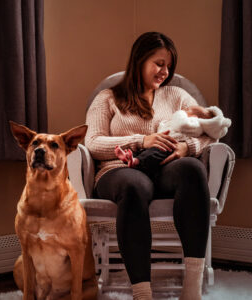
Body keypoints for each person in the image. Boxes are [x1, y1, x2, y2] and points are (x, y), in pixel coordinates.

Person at [85, 32, 216, 300]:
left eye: (168, 66)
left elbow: (207, 131)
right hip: (118, 171)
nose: (164, 72)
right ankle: (142, 293)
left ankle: (192, 288)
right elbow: (93, 142)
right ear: (139, 60)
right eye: (158, 64)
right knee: (134, 185)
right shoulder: (108, 98)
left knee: (192, 169)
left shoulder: (177, 96)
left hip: (165, 169)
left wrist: (186, 148)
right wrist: (140, 141)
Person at [115, 105, 231, 178]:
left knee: (154, 154)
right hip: (157, 143)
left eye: (188, 109)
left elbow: (211, 138)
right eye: (159, 64)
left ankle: (136, 161)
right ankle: (129, 157)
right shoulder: (107, 96)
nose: (183, 109)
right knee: (145, 151)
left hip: (171, 147)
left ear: (195, 117)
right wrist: (144, 140)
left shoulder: (193, 123)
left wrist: (188, 146)